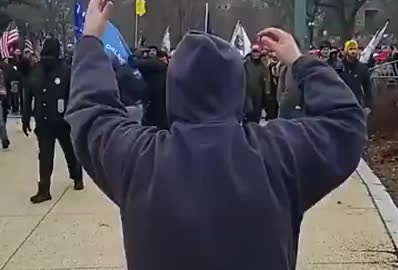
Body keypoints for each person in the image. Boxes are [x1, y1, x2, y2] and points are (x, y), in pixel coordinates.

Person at [65, 1, 367, 269]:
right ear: (236, 90)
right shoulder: (277, 155)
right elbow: (346, 123)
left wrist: (91, 40)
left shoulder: (140, 161)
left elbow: (92, 113)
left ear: (175, 91)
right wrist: (301, 63)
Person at [23, 37, 84, 204]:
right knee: (52, 155)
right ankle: (48, 188)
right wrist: (26, 116)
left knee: (59, 154)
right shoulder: (40, 71)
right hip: (51, 121)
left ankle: (74, 177)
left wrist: (26, 117)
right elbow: (29, 95)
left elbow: (28, 97)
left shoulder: (65, 71)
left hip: (59, 120)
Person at [339, 40, 373, 115]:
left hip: (356, 105)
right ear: (346, 51)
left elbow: (367, 87)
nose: (353, 51)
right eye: (350, 49)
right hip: (341, 105)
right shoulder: (339, 67)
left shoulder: (362, 68)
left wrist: (368, 106)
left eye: (354, 49)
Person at [244, 44, 268, 123]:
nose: (256, 54)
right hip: (247, 96)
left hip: (258, 98)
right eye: (254, 51)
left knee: (255, 120)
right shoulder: (245, 63)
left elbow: (265, 84)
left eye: (257, 52)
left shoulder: (263, 66)